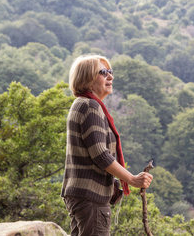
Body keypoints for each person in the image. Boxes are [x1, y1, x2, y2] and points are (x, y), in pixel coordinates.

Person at [61, 54, 153, 236]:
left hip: (81, 194)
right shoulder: (90, 106)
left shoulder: (81, 104)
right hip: (90, 196)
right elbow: (100, 155)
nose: (110, 76)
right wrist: (131, 179)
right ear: (86, 79)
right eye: (103, 72)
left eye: (110, 72)